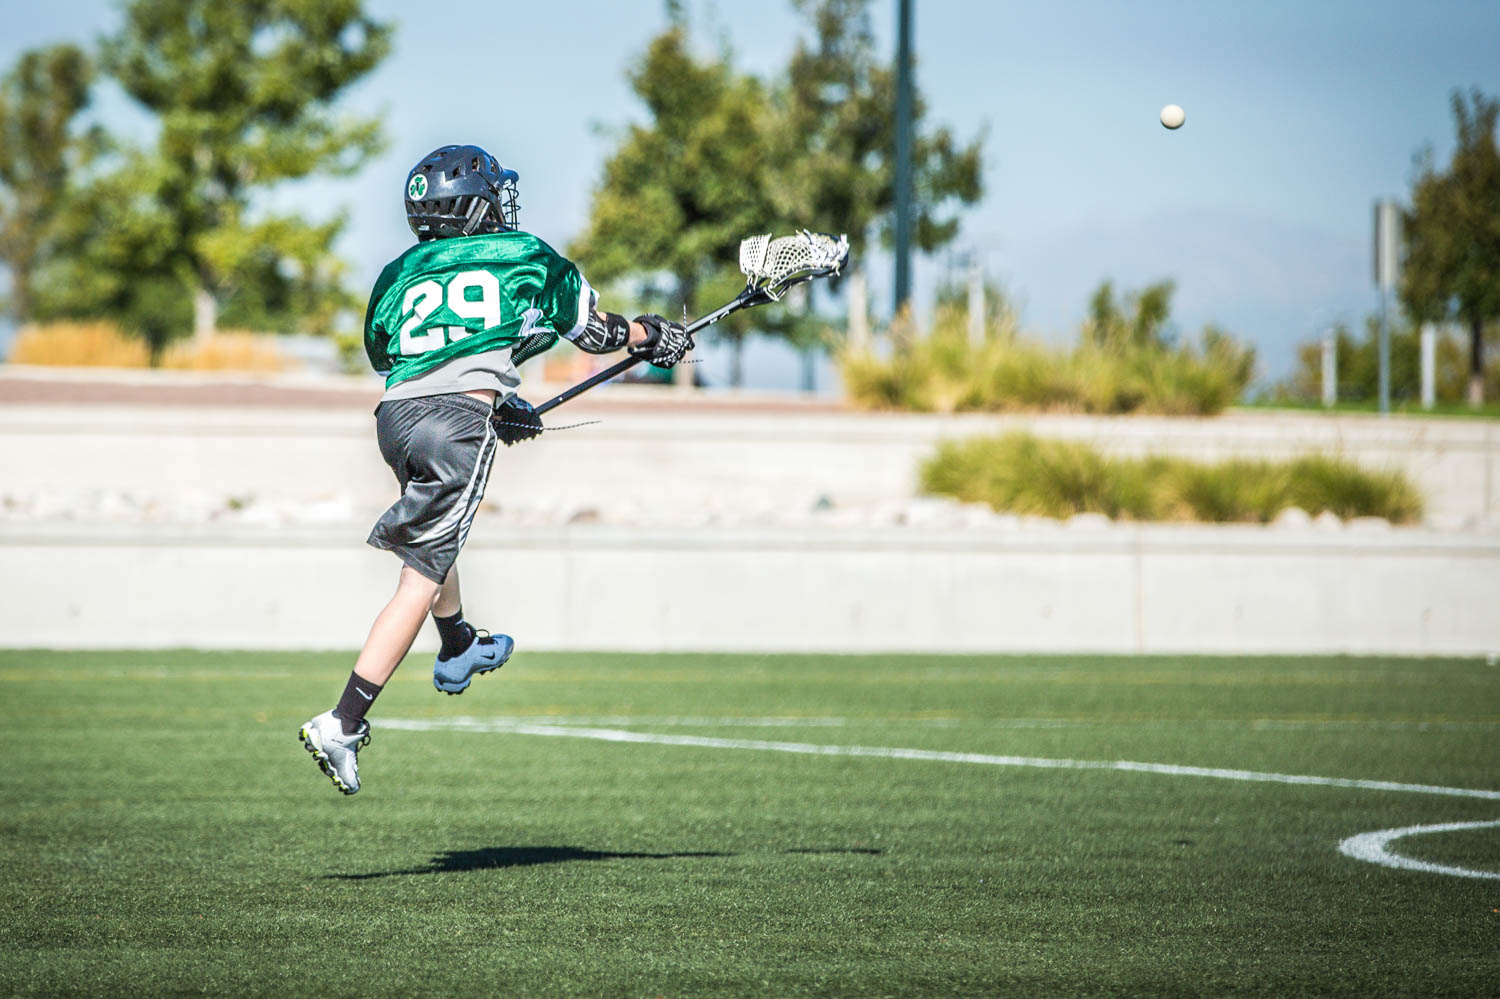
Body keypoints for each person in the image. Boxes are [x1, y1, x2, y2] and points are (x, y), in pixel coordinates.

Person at [298, 143, 691, 794]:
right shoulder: (522, 254)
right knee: (419, 574)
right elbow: (593, 333)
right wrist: (653, 335)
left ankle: (456, 644)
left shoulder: (398, 272)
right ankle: (343, 719)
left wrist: (498, 397)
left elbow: (388, 351)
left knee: (435, 540)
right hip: (453, 423)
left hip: (394, 417)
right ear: (477, 206)